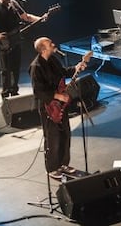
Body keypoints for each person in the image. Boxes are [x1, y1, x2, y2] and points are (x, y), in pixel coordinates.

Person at [29, 37, 86, 179]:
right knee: (52, 137)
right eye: (50, 43)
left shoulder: (53, 60)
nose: (53, 44)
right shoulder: (36, 67)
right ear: (43, 49)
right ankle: (52, 168)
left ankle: (63, 164)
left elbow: (63, 72)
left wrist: (76, 68)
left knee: (65, 134)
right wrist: (58, 96)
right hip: (48, 106)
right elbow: (38, 92)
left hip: (61, 105)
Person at [0, 0, 47, 98]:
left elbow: (26, 17)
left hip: (16, 40)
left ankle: (14, 91)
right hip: (3, 42)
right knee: (5, 69)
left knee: (15, 67)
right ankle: (5, 93)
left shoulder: (14, 3)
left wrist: (41, 18)